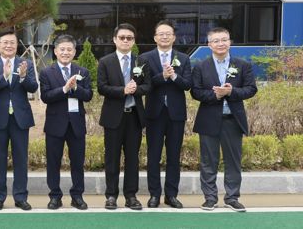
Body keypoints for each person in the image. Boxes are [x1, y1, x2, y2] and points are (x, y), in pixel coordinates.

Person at [191, 27, 257, 212]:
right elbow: (195, 92)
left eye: (224, 40)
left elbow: (251, 89)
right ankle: (210, 198)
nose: (221, 43)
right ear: (209, 44)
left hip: (233, 120)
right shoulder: (200, 66)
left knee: (233, 161)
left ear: (230, 42)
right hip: (208, 119)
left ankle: (232, 197)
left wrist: (231, 92)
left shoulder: (242, 64)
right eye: (216, 41)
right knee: (208, 161)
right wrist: (217, 95)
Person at [0, 30, 38, 211]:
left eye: (12, 42)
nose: (8, 46)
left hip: (20, 118)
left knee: (21, 158)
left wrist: (22, 76)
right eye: (5, 42)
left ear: (16, 45)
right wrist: (4, 76)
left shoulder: (26, 63)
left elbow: (33, 87)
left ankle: (21, 197)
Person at [97, 23, 151, 210]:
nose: (126, 40)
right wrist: (123, 90)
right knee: (112, 158)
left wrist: (135, 90)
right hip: (113, 118)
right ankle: (111, 195)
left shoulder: (141, 62)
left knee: (132, 159)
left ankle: (131, 196)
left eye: (129, 38)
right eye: (122, 37)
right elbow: (101, 87)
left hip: (134, 117)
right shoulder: (105, 61)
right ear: (114, 40)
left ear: (134, 41)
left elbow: (148, 86)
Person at [138, 20, 191, 209]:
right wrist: (163, 76)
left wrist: (174, 76)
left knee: (173, 156)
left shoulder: (183, 58)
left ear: (174, 37)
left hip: (176, 114)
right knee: (153, 155)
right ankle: (154, 195)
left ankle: (171, 195)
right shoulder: (145, 57)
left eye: (168, 33)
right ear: (155, 37)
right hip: (154, 113)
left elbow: (188, 84)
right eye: (161, 34)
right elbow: (144, 84)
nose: (165, 36)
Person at [39, 34, 93, 210]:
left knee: (78, 163)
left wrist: (75, 88)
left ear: (74, 52)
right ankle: (55, 196)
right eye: (62, 49)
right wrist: (64, 89)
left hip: (76, 125)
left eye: (69, 49)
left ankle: (77, 195)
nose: (65, 52)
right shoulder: (47, 72)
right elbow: (45, 97)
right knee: (53, 162)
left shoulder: (82, 72)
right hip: (55, 125)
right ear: (55, 51)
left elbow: (88, 95)